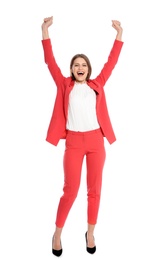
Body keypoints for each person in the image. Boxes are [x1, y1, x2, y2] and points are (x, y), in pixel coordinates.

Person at [41, 16, 123, 257]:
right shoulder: (64, 84)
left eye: (83, 65)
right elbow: (50, 62)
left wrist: (118, 34)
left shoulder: (97, 83)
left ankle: (90, 232)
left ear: (88, 69)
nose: (80, 68)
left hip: (96, 140)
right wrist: (45, 31)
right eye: (76, 64)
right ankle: (57, 233)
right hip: (74, 142)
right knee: (71, 189)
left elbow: (112, 61)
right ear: (71, 69)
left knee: (94, 190)